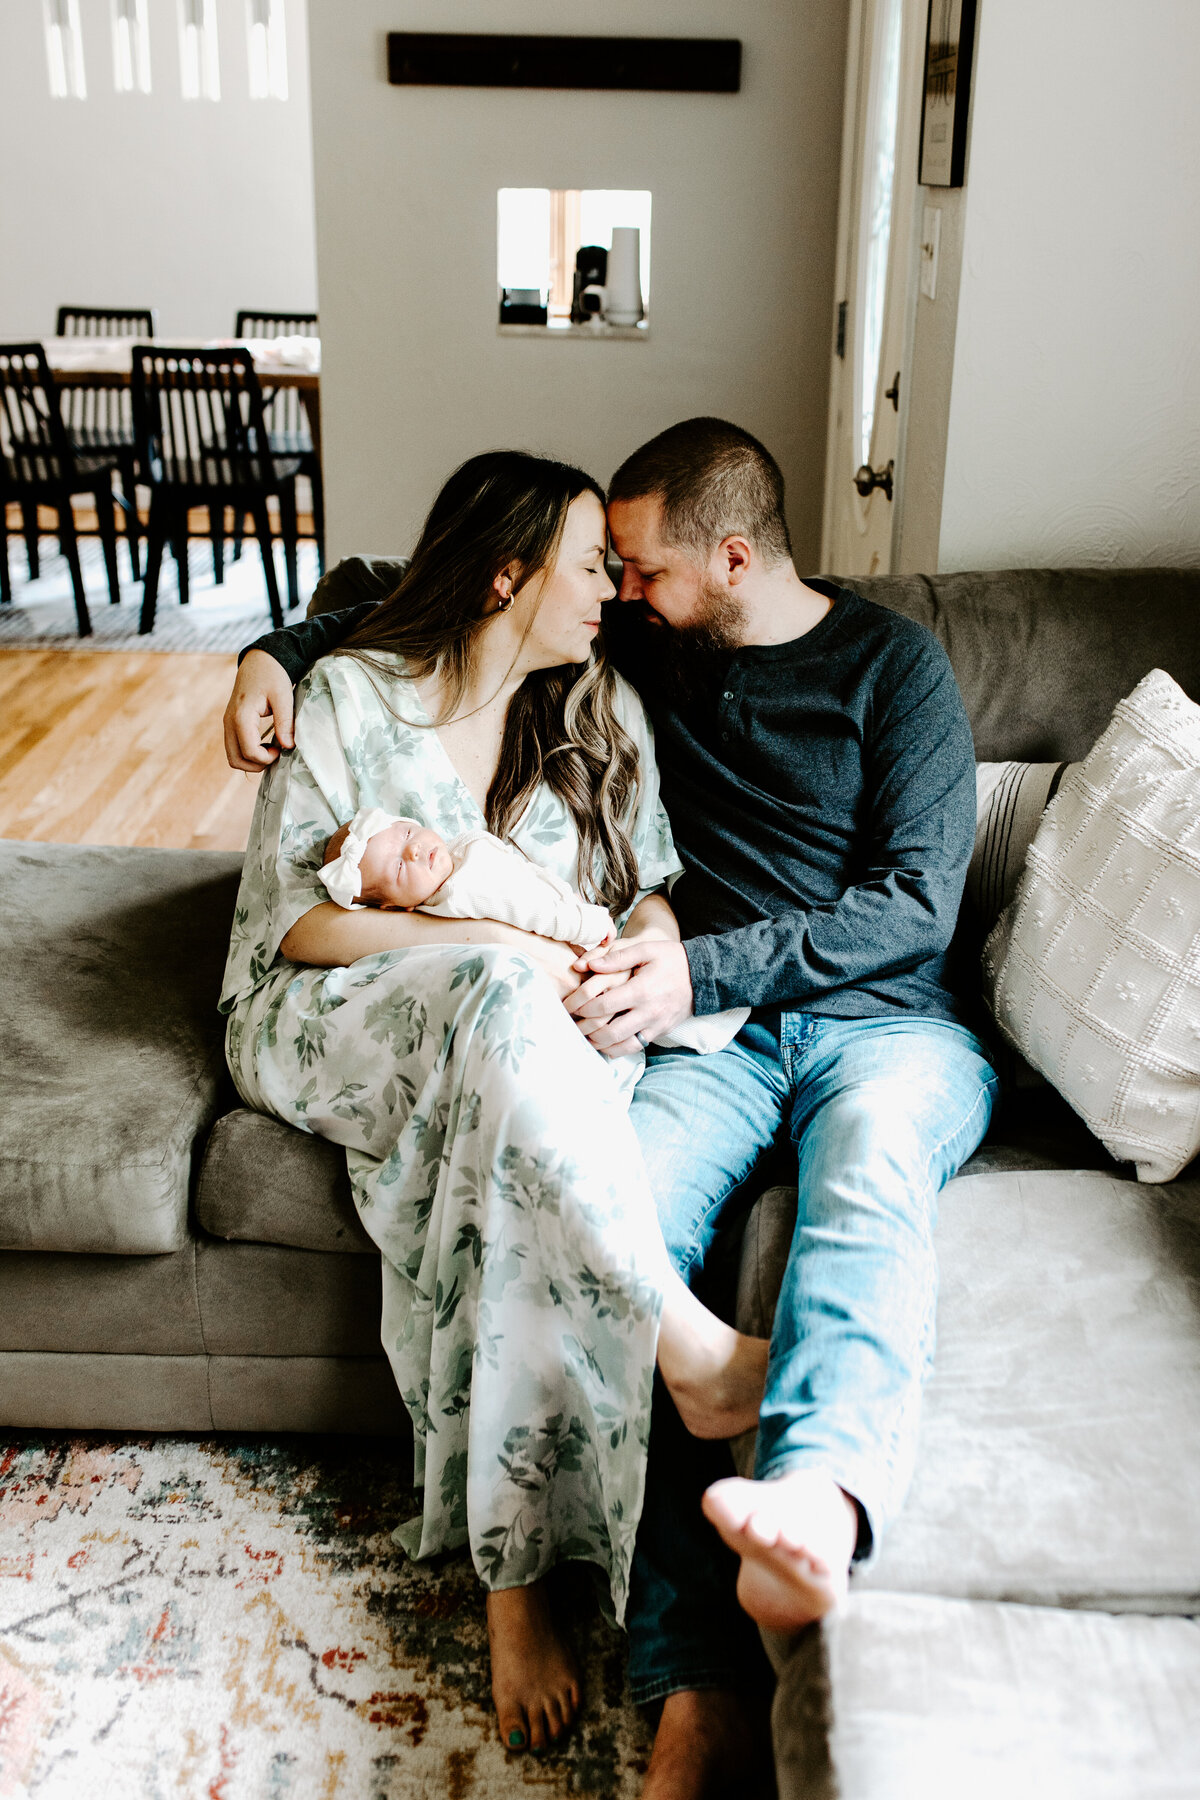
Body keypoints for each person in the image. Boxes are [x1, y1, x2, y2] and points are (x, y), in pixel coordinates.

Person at [224, 419, 998, 1799]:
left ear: (733, 559)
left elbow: (915, 906)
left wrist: (689, 957)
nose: (623, 593)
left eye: (641, 569)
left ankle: (816, 1496)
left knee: (871, 1174)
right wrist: (269, 653)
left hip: (884, 1029)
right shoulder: (629, 644)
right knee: (609, 1207)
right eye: (609, 569)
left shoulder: (894, 669)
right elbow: (410, 592)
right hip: (716, 1038)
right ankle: (689, 1677)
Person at [219, 448, 770, 1761]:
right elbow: (290, 928)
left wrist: (637, 953)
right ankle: (677, 1346)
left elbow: (649, 886)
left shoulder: (596, 707)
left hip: (528, 1046)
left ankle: (517, 1576)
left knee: (513, 1110)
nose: (613, 594)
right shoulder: (352, 698)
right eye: (590, 565)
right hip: (334, 1011)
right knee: (499, 1001)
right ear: (508, 571)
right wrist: (485, 948)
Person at [316, 805, 750, 1057]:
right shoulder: (459, 893)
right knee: (622, 999)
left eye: (408, 832)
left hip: (573, 923)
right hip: (575, 936)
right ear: (396, 907)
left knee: (635, 991)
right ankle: (709, 1030)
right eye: (398, 866)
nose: (414, 849)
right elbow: (530, 909)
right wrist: (589, 923)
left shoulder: (461, 853)